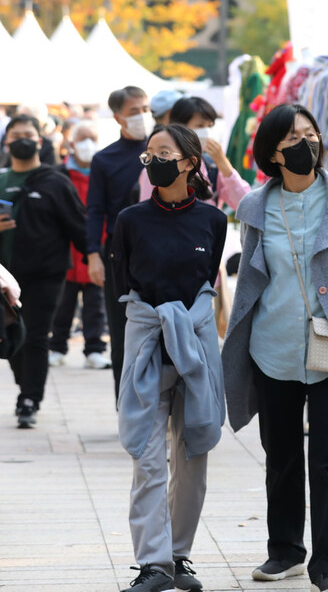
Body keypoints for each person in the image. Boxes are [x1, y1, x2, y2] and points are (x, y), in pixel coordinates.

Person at [222, 104, 328, 592]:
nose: (305, 144)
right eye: (292, 138)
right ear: (273, 152)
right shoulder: (255, 205)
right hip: (272, 345)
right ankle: (285, 552)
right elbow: (253, 272)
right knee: (282, 454)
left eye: (310, 134)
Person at [112, 124, 227, 592]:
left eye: (165, 152)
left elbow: (208, 281)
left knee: (193, 458)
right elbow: (123, 286)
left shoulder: (213, 221)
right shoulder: (131, 220)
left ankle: (178, 555)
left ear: (189, 162)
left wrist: (188, 324)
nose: (153, 160)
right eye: (149, 153)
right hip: (147, 347)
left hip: (196, 350)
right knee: (148, 459)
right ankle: (152, 563)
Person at [0, 115, 87, 428]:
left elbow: (78, 226)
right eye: (16, 134)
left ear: (40, 141)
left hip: (45, 275)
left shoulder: (55, 181)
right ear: (7, 142)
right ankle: (26, 387)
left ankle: (29, 399)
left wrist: (97, 259)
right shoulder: (0, 179)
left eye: (28, 134)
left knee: (36, 336)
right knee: (11, 336)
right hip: (4, 277)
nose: (22, 139)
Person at [87, 86, 154, 401]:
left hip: (158, 246)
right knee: (120, 332)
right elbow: (94, 209)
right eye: (134, 111)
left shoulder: (161, 151)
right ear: (117, 117)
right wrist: (92, 254)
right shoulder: (105, 159)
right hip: (118, 251)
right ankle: (124, 402)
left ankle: (158, 402)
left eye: (145, 108)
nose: (142, 115)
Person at [49, 121, 111, 370]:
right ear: (71, 143)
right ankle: (57, 347)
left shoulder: (104, 172)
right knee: (62, 302)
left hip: (97, 246)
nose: (88, 144)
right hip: (65, 249)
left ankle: (94, 349)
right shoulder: (58, 174)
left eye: (92, 138)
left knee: (96, 303)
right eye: (83, 138)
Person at [137, 96, 251, 210]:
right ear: (180, 128)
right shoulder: (158, 168)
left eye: (210, 126)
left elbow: (246, 205)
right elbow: (147, 213)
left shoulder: (212, 166)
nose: (206, 132)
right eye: (200, 126)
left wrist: (223, 163)